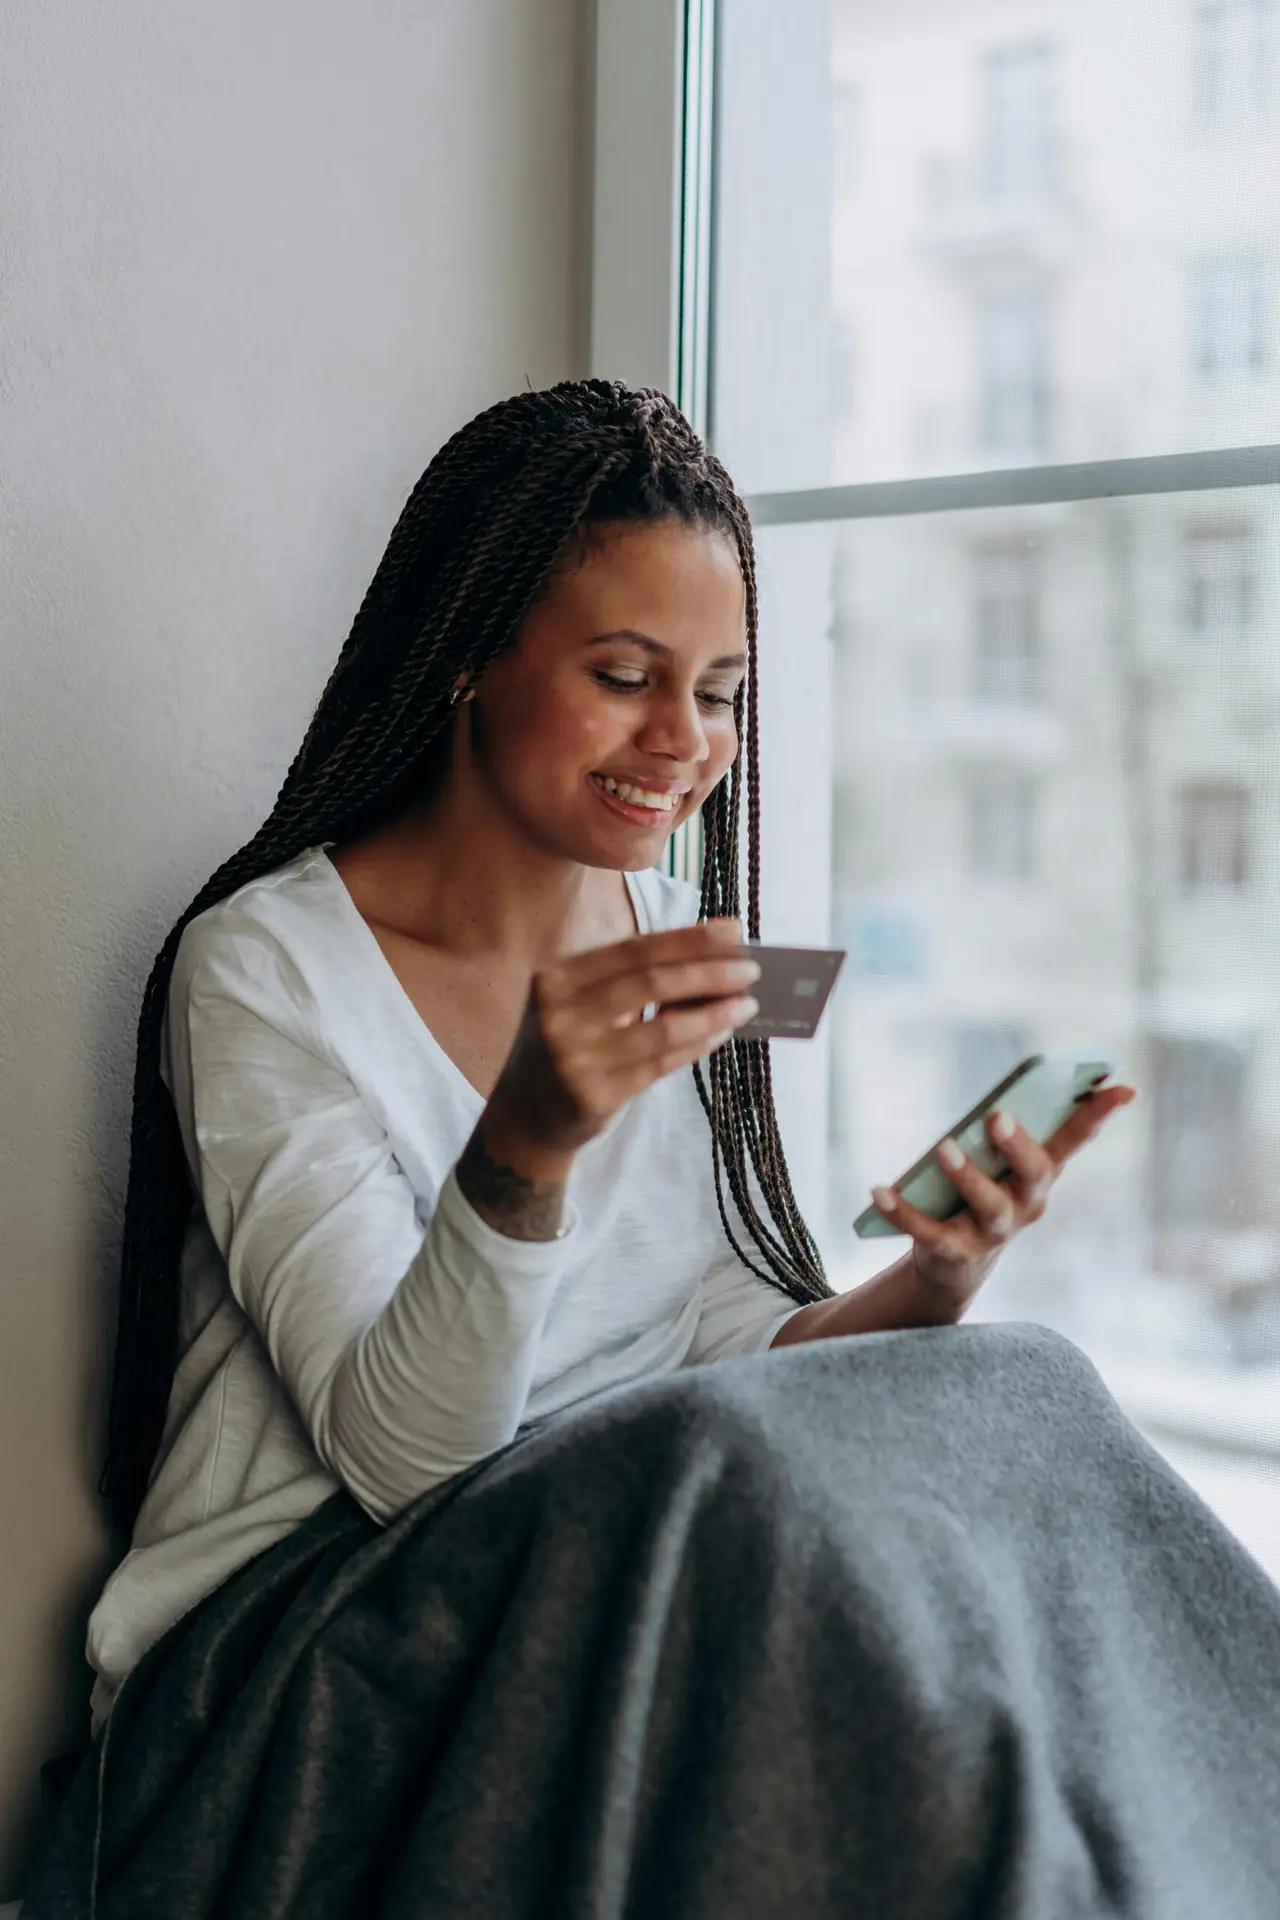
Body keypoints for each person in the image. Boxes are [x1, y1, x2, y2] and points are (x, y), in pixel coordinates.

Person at [22, 382, 1280, 1920]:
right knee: (737, 1480)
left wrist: (929, 1287)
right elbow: (403, 1459)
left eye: (723, 690)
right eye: (626, 676)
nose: (684, 744)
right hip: (288, 1667)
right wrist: (528, 1143)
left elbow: (707, 1339)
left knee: (1018, 1382)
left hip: (598, 1577)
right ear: (471, 655)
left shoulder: (676, 939)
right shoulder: (265, 970)